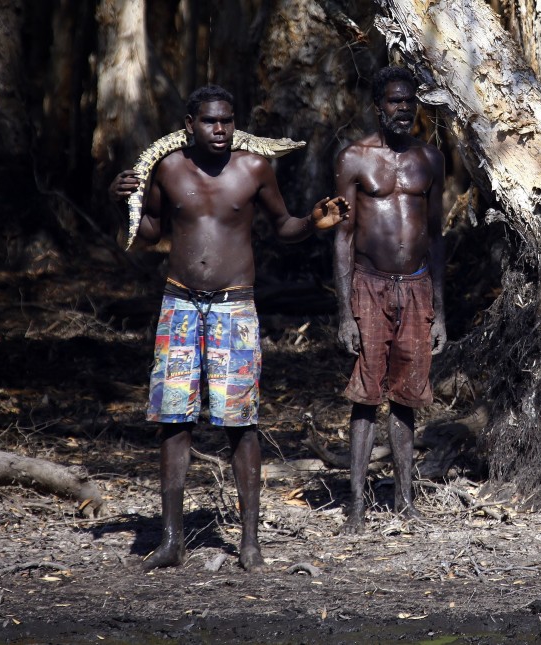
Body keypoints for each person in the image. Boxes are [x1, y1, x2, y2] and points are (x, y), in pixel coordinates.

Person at [109, 85, 348, 571]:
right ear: (189, 122)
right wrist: (123, 200)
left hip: (234, 309)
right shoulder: (169, 168)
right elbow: (150, 230)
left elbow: (282, 225)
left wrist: (311, 222)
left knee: (241, 423)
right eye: (210, 121)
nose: (220, 130)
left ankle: (250, 545)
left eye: (227, 120)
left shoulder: (254, 168)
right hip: (178, 304)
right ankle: (172, 541)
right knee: (174, 421)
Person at [333, 66, 446, 534]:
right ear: (379, 106)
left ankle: (405, 501)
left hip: (417, 286)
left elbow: (437, 237)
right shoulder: (354, 159)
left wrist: (441, 311)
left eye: (410, 101)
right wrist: (344, 312)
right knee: (366, 396)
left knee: (408, 396)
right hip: (369, 284)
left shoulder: (430, 159)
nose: (404, 109)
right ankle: (356, 507)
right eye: (395, 101)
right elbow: (340, 236)